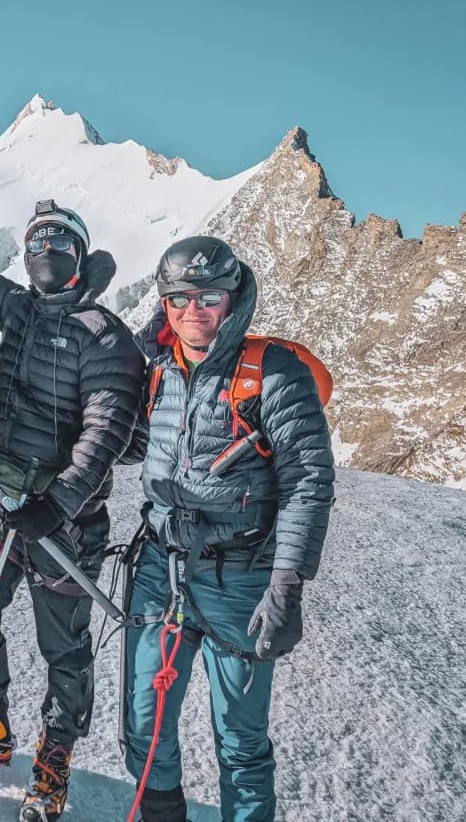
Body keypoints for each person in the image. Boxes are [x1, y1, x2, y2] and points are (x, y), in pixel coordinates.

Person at [0, 165, 145, 820]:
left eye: (57, 243)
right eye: (36, 244)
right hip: (4, 495)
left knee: (62, 646)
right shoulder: (19, 309)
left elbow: (104, 434)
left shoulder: (105, 336)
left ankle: (54, 757)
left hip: (65, 521)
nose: (43, 253)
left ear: (79, 256)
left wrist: (59, 503)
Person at [121, 235, 334, 822]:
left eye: (209, 296)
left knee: (240, 739)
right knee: (144, 721)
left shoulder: (273, 372)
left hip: (240, 577)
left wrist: (287, 583)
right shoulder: (160, 372)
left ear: (233, 297)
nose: (195, 311)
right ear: (164, 305)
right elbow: (136, 445)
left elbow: (307, 481)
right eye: (180, 298)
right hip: (160, 569)